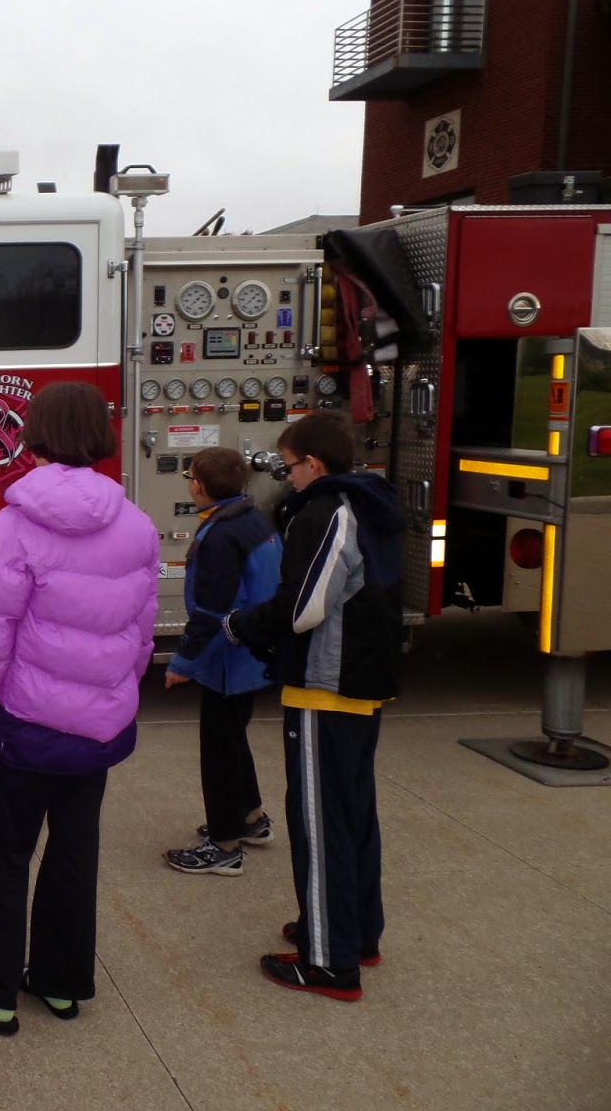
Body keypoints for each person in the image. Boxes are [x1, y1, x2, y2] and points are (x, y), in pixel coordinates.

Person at [0, 381, 159, 1036]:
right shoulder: (137, 525)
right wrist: (117, 700)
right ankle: (62, 982)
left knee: (5, 855)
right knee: (76, 850)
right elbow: (141, 631)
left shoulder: (14, 526)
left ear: (37, 434)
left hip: (26, 723)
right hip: (96, 729)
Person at [222, 411, 403, 1001]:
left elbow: (302, 608)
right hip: (362, 684)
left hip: (326, 686)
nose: (286, 475)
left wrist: (240, 626)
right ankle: (355, 931)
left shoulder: (325, 511)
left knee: (319, 823)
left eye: (289, 465)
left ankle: (327, 960)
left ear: (314, 464)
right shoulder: (370, 504)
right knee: (353, 814)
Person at [162, 446, 282, 876]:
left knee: (219, 751)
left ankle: (224, 845)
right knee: (234, 740)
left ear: (198, 486)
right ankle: (250, 819)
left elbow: (212, 613)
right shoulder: (253, 519)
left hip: (229, 660)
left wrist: (182, 662)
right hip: (253, 654)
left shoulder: (219, 537)